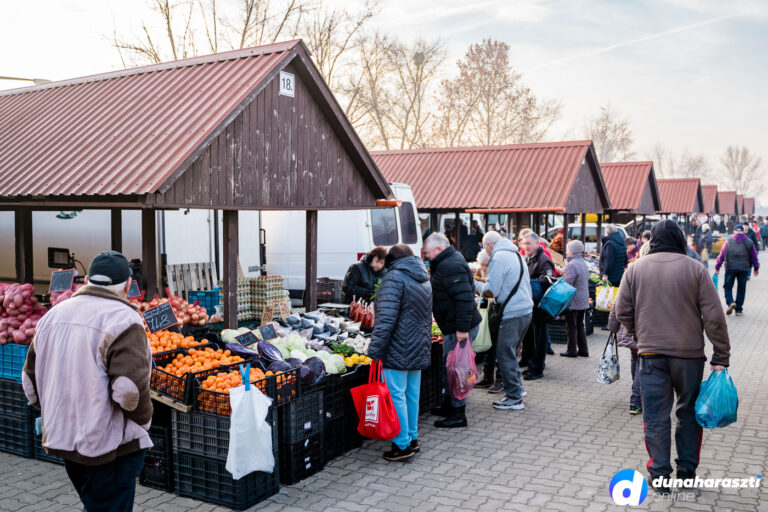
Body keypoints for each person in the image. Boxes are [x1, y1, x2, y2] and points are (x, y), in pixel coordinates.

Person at [22, 251, 153, 511]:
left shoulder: (52, 315)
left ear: (88, 280)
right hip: (109, 444)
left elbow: (29, 381)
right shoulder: (124, 319)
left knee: (93, 501)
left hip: (64, 438)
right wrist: (144, 420)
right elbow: (128, 391)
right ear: (128, 285)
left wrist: (54, 413)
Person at [615, 220, 730, 494]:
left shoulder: (635, 269)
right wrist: (721, 355)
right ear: (680, 239)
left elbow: (621, 310)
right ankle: (687, 471)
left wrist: (638, 334)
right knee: (688, 413)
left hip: (651, 355)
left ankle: (660, 475)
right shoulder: (696, 269)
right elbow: (714, 317)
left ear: (651, 241)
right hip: (689, 357)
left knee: (655, 416)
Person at [369, 244, 432, 462]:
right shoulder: (423, 277)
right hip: (418, 345)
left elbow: (385, 320)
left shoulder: (394, 278)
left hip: (398, 347)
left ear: (391, 261)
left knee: (396, 396)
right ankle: (412, 438)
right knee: (411, 395)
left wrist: (375, 350)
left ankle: (402, 445)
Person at [424, 232, 482, 428]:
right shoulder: (448, 261)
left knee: (458, 370)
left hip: (459, 328)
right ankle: (450, 405)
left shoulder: (451, 265)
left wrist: (462, 329)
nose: (427, 256)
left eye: (428, 253)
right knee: (450, 366)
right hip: (453, 325)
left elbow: (464, 298)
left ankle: (458, 414)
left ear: (438, 249)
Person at [477, 231, 533, 410]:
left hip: (512, 313)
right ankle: (518, 389)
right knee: (512, 352)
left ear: (489, 245)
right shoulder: (515, 254)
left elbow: (491, 292)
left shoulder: (499, 257)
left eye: (485, 247)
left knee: (504, 355)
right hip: (525, 310)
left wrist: (473, 284)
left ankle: (514, 398)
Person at [519, 232, 555, 381]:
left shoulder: (544, 260)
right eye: (523, 243)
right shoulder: (528, 259)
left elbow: (550, 280)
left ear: (536, 244)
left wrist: (535, 283)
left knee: (539, 339)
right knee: (528, 336)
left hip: (540, 306)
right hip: (529, 304)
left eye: (528, 243)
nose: (525, 246)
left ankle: (537, 368)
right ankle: (528, 361)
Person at [715, 224, 760, 316]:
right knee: (741, 288)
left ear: (734, 232)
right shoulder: (749, 242)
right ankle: (738, 309)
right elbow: (754, 257)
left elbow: (722, 256)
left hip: (730, 268)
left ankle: (730, 302)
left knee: (727, 286)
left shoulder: (728, 241)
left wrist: (717, 267)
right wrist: (756, 268)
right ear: (743, 231)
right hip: (744, 269)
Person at [474, 250, 502, 392]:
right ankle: (487, 377)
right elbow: (482, 294)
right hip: (487, 310)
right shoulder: (479, 271)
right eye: (482, 265)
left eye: (486, 265)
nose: (484, 268)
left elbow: (493, 292)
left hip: (499, 311)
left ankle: (500, 379)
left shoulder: (498, 271)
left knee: (498, 346)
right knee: (489, 345)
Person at [560, 240, 590, 358]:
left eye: (567, 249)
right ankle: (583, 350)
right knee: (580, 324)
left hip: (574, 300)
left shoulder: (571, 264)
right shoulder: (582, 262)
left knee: (571, 326)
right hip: (583, 298)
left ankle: (571, 350)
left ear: (572, 251)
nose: (566, 251)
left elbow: (567, 284)